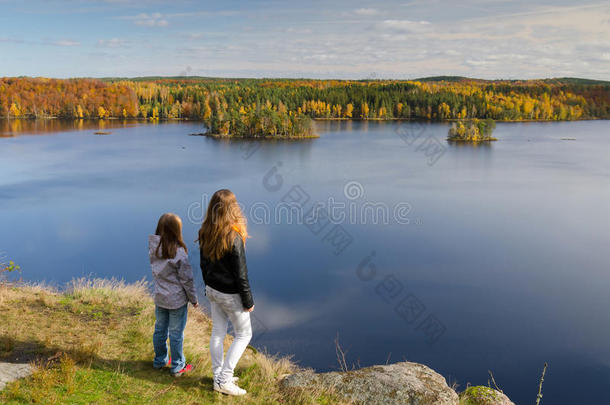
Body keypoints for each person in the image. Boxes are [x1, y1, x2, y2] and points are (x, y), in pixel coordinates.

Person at [199, 189, 254, 396]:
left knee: (218, 333)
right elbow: (241, 275)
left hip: (212, 290)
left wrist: (207, 287)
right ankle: (224, 380)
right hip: (230, 294)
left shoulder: (206, 230)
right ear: (233, 208)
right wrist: (248, 301)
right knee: (244, 334)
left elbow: (203, 265)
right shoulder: (234, 236)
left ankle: (218, 375)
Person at [149, 213, 198, 377]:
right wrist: (194, 299)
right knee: (176, 334)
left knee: (160, 330)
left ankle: (159, 361)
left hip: (160, 297)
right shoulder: (179, 254)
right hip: (176, 301)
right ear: (177, 231)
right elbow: (187, 280)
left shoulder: (153, 248)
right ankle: (177, 367)